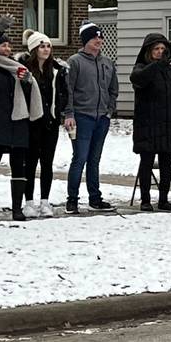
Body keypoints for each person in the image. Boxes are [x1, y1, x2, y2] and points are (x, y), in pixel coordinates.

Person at [0, 17, 42, 221]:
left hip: (18, 121)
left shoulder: (18, 69)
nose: (7, 48)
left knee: (18, 165)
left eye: (8, 45)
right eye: (3, 45)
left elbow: (28, 95)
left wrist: (28, 81)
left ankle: (17, 209)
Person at [130, 33, 171, 211]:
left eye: (163, 49)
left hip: (169, 124)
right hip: (148, 124)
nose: (160, 52)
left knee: (166, 163)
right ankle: (145, 200)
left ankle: (164, 199)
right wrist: (156, 65)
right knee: (146, 162)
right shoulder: (141, 69)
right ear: (149, 51)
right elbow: (138, 80)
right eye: (156, 49)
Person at [62, 21, 119, 214]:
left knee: (95, 160)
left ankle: (95, 198)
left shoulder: (107, 63)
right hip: (82, 117)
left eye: (100, 37)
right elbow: (67, 90)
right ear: (86, 40)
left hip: (101, 118)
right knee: (80, 158)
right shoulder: (74, 62)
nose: (99, 40)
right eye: (95, 37)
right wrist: (69, 113)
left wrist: (109, 110)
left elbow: (114, 89)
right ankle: (72, 199)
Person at [19, 30, 69, 216]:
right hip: (31, 121)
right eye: (41, 46)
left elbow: (63, 93)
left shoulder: (57, 70)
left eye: (48, 46)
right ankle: (29, 201)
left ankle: (45, 201)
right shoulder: (24, 70)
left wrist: (60, 112)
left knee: (47, 162)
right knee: (30, 162)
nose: (46, 49)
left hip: (50, 122)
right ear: (34, 49)